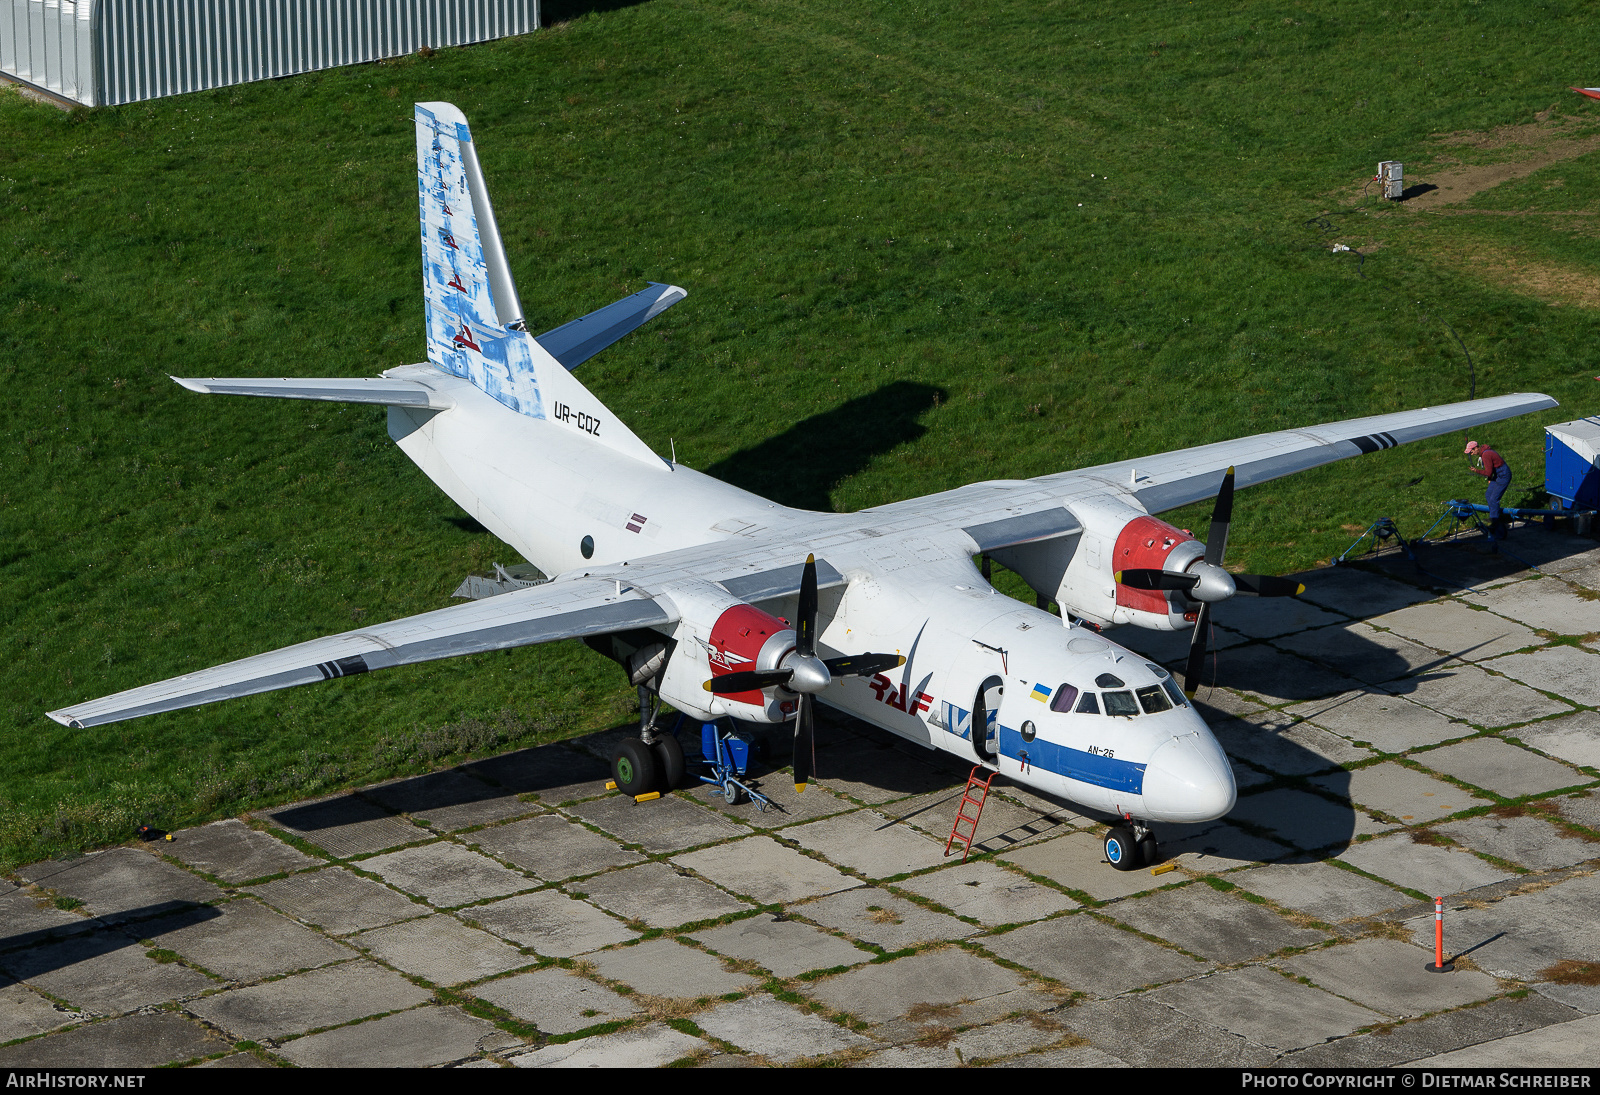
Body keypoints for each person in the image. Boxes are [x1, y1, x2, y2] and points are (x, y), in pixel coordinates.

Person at [1465, 440, 1512, 541]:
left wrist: (1476, 471)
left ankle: (1495, 521)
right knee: (1488, 495)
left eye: (1471, 451)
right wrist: (1490, 478)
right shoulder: (1484, 452)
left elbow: (1488, 472)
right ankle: (1493, 515)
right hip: (1497, 474)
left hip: (1503, 475)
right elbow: (1491, 470)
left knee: (1494, 498)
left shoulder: (1486, 455)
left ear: (1476, 448)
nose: (1471, 454)